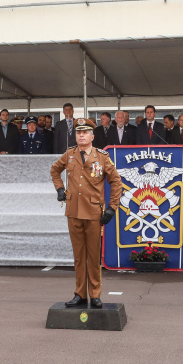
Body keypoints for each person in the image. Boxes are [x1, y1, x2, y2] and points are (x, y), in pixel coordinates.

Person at [50, 118, 122, 308]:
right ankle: (80, 293)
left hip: (93, 213)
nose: (81, 135)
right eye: (78, 132)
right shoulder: (69, 154)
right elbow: (54, 170)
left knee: (93, 255)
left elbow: (116, 181)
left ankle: (95, 294)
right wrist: (60, 189)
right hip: (73, 211)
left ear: (92, 135)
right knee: (78, 256)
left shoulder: (102, 157)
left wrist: (112, 207)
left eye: (85, 132)